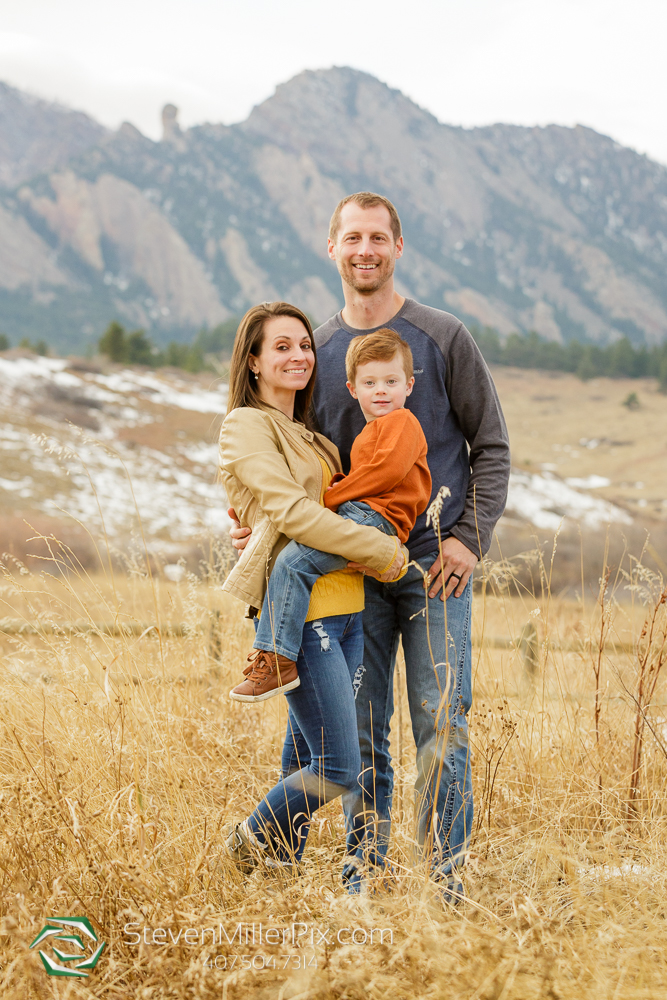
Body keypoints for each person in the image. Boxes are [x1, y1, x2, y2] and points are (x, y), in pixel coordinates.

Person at [230, 192, 511, 894]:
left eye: (377, 237)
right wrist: (259, 517)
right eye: (351, 237)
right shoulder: (315, 351)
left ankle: (446, 883)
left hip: (433, 569)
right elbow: (302, 458)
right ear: (332, 248)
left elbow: (492, 445)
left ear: (397, 246)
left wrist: (468, 540)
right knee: (361, 732)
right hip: (350, 573)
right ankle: (363, 876)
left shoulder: (443, 337)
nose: (365, 250)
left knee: (441, 723)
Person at [219, 300, 406, 872]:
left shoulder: (315, 438)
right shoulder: (245, 425)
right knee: (336, 766)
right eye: (281, 346)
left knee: (303, 749)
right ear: (252, 362)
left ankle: (279, 866)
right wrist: (378, 549)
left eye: (304, 345)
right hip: (303, 616)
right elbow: (292, 511)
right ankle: (247, 843)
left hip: (350, 609)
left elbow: (318, 508)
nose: (299, 355)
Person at [230, 328, 431, 702]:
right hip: (363, 516)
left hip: (374, 518)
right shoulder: (369, 431)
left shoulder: (402, 423)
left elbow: (382, 474)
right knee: (295, 563)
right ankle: (276, 656)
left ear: (409, 385)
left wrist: (334, 496)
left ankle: (276, 659)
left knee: (292, 563)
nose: (382, 390)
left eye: (391, 381)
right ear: (353, 390)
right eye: (370, 383)